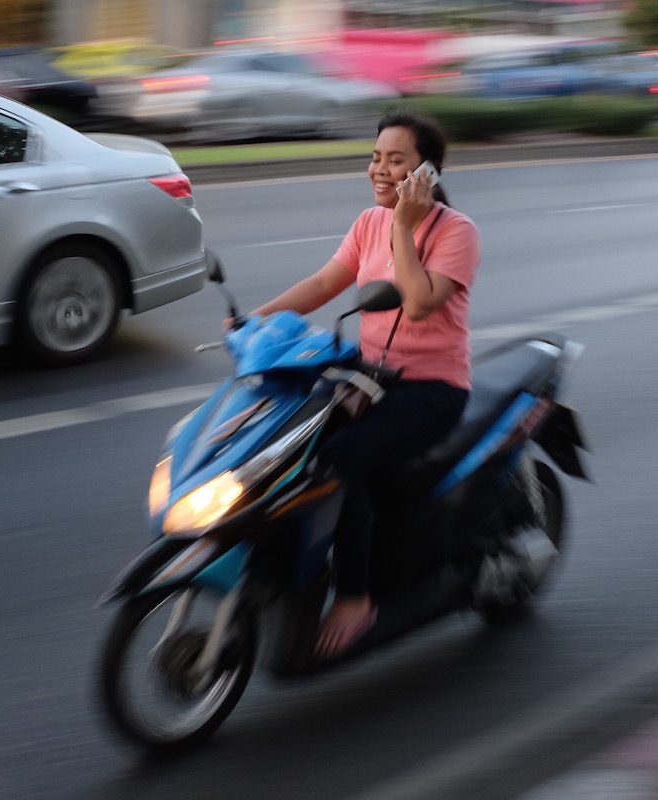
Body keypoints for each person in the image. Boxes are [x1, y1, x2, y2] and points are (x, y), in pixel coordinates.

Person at [247, 109, 480, 659]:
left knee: (340, 460)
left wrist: (404, 223)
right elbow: (325, 282)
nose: (379, 169)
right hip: (369, 376)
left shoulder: (455, 232)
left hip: (431, 388)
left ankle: (356, 598)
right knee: (282, 446)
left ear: (427, 172)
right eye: (376, 157)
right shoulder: (367, 222)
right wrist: (257, 322)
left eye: (396, 160)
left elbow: (419, 302)